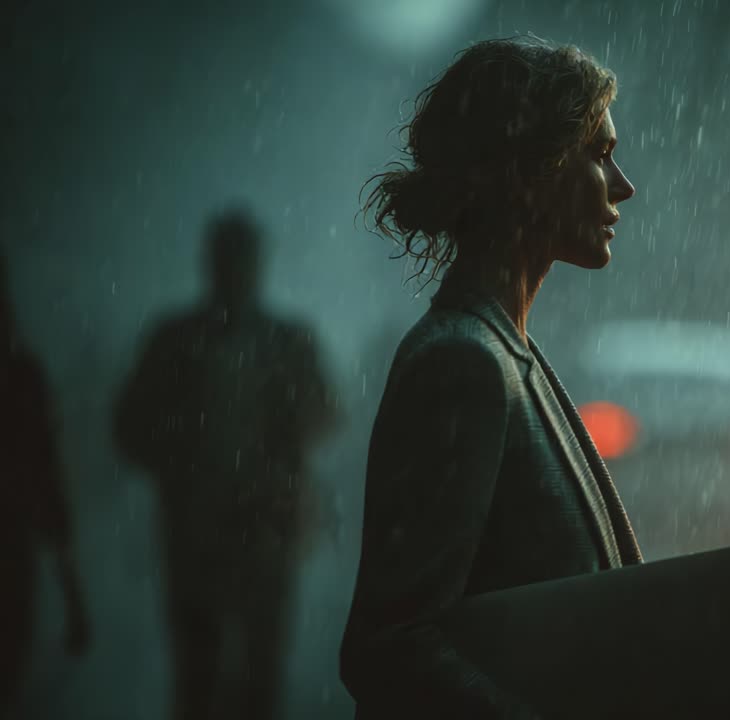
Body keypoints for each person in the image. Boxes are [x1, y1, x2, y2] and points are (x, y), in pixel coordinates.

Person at [339, 37, 642, 718]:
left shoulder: (506, 353)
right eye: (599, 155)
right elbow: (387, 646)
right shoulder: (464, 363)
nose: (623, 185)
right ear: (529, 173)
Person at [113, 210, 338, 720]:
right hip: (202, 537)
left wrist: (278, 458)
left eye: (244, 261)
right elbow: (130, 428)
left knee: (255, 677)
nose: (237, 273)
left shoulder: (285, 341)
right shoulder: (178, 340)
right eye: (230, 261)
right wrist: (183, 465)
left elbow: (326, 413)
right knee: (201, 674)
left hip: (263, 531)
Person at [0, 251, 90, 719]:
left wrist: (72, 591)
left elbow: (47, 483)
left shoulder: (22, 379)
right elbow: (47, 483)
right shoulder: (21, 378)